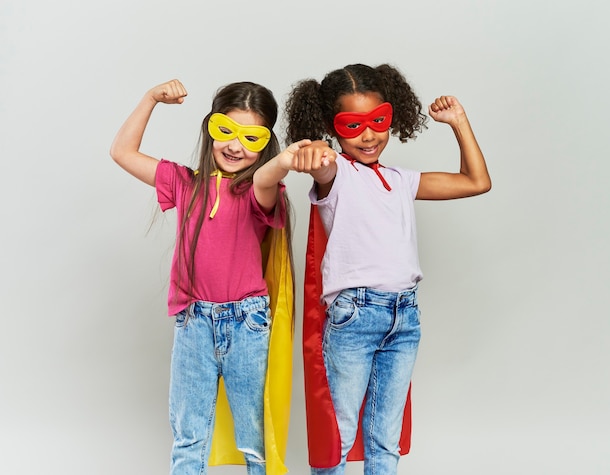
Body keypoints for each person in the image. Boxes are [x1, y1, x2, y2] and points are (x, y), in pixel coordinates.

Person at [284, 63, 491, 475]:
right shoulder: (336, 174)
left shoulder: (401, 180)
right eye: (352, 124)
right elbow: (321, 164)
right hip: (354, 316)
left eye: (378, 121)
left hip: (405, 316)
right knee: (338, 437)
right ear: (331, 125)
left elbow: (475, 182)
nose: (368, 134)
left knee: (386, 439)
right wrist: (315, 153)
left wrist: (459, 122)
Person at [110, 79, 305, 475]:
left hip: (247, 325)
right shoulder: (184, 183)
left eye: (251, 138)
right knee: (188, 437)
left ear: (266, 144)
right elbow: (122, 152)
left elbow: (267, 179)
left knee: (254, 439)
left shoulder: (259, 189)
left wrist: (283, 161)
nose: (235, 146)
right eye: (225, 131)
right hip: (193, 323)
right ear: (209, 127)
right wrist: (150, 99)